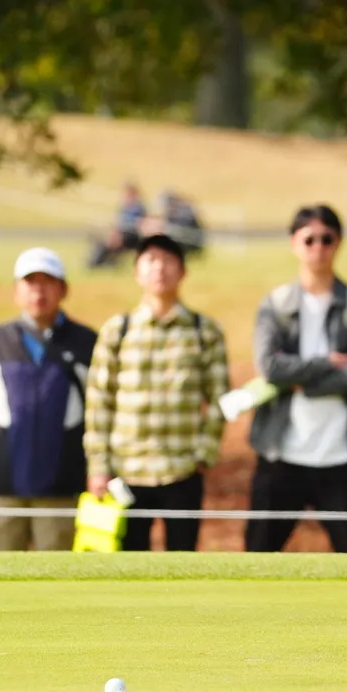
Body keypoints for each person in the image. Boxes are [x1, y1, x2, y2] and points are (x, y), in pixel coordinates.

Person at [244, 205, 347, 554]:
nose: (318, 248)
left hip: (342, 453)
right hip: (281, 452)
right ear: (294, 243)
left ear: (338, 243)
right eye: (309, 240)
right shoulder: (276, 304)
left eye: (327, 239)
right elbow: (269, 368)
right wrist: (327, 363)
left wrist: (302, 382)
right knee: (258, 554)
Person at [84, 234, 230, 551]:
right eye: (151, 260)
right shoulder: (118, 330)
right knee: (130, 567)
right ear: (137, 271)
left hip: (182, 469)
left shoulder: (203, 331)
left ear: (183, 271)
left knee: (182, 563)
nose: (159, 269)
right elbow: (99, 401)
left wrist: (204, 454)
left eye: (168, 261)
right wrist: (98, 466)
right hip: (127, 471)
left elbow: (220, 398)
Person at [0, 247, 97, 551]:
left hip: (60, 488)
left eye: (48, 282)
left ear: (63, 289)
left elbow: (99, 409)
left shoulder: (86, 343)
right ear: (16, 291)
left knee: (53, 575)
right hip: (2, 487)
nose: (38, 291)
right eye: (30, 282)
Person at [87, 181, 146, 269]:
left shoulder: (138, 207)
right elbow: (118, 223)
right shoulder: (123, 207)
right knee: (105, 240)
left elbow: (139, 224)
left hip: (132, 235)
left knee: (115, 239)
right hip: (120, 234)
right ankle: (98, 262)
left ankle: (105, 262)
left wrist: (121, 232)